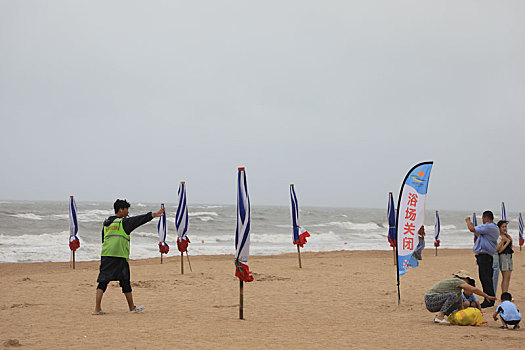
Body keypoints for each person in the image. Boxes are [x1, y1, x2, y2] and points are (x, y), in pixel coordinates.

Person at [92, 199, 165, 315]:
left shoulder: (107, 223)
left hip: (106, 254)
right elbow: (138, 220)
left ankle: (97, 309)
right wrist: (154, 215)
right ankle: (131, 307)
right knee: (125, 281)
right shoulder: (123, 223)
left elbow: (103, 239)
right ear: (121, 210)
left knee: (103, 281)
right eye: (126, 210)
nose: (128, 212)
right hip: (119, 255)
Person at [425, 270, 496, 324]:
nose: (467, 282)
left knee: (457, 300)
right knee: (453, 296)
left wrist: (463, 317)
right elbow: (473, 289)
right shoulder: (457, 281)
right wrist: (486, 296)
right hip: (430, 299)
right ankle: (440, 316)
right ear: (463, 278)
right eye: (468, 280)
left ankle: (442, 317)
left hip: (433, 302)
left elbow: (460, 304)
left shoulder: (457, 289)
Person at [465, 210, 499, 308]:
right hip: (485, 256)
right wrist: (472, 225)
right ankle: (489, 298)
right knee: (486, 278)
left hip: (485, 256)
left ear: (486, 218)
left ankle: (489, 299)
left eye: (483, 218)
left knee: (485, 278)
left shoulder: (489, 226)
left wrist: (467, 221)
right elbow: (477, 232)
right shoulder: (492, 228)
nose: (482, 220)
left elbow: (472, 229)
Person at [497, 220, 514, 294]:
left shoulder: (506, 236)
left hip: (509, 256)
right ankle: (504, 294)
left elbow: (510, 247)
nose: (504, 228)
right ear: (499, 228)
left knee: (508, 277)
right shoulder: (499, 237)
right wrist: (506, 242)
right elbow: (499, 250)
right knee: (505, 277)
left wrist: (510, 240)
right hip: (503, 257)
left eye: (505, 226)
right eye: (502, 227)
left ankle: (506, 293)